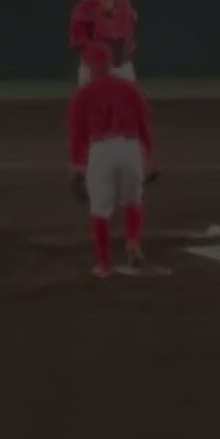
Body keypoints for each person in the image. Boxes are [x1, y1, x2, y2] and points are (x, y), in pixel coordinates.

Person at [67, 43, 156, 278]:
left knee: (100, 210)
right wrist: (149, 154)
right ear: (109, 63)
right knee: (133, 200)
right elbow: (144, 123)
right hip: (130, 148)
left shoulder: (83, 94)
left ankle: (104, 266)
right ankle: (133, 243)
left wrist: (77, 165)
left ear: (90, 66)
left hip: (102, 150)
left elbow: (78, 133)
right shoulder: (130, 88)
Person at [70, 0, 137, 86]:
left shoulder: (125, 5)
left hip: (122, 66)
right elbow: (78, 41)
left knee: (127, 98)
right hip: (94, 68)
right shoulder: (85, 7)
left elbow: (127, 40)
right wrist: (98, 51)